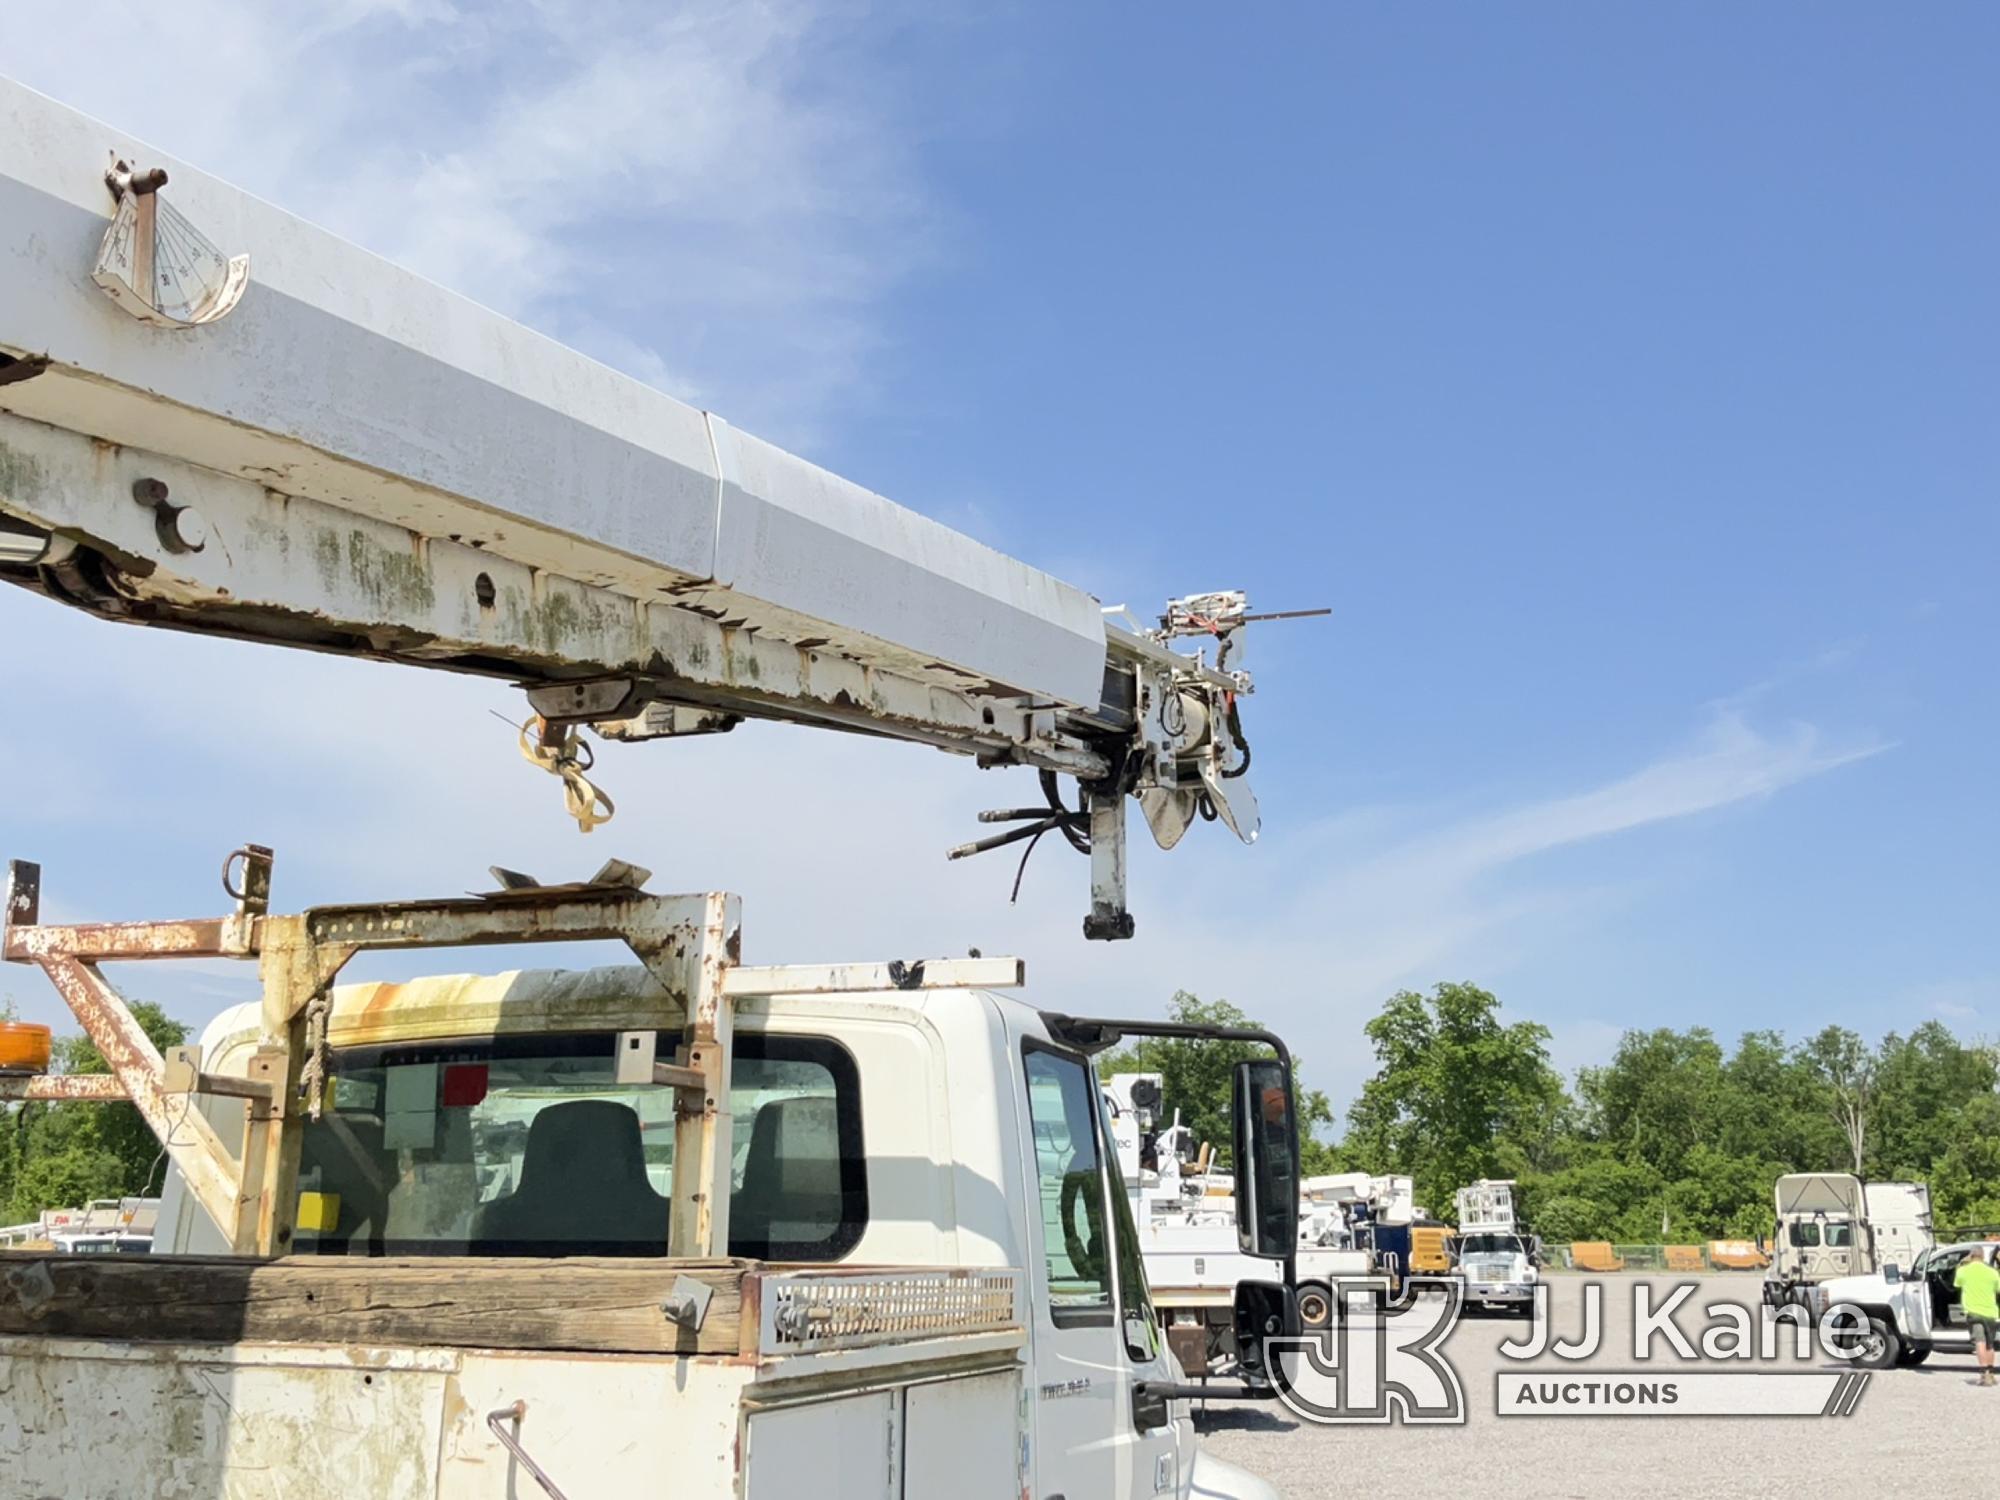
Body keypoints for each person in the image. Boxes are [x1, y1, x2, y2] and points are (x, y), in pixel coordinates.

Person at [1955, 1249, 2000, 1386]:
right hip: (1990, 1312)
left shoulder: (1963, 1271)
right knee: (1990, 1344)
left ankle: (1983, 1373)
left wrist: (1963, 1262)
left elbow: (1956, 1284)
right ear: (1982, 1257)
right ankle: (1991, 1374)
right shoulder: (1992, 1273)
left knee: (1979, 1342)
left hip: (1974, 1312)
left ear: (1971, 1256)